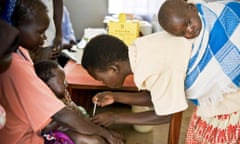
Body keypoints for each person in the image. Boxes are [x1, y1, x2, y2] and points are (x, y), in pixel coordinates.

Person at [0, 0, 125, 143]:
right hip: (24, 139)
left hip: (31, 130)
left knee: (90, 137)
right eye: (40, 32)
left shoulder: (20, 52)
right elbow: (62, 115)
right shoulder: (16, 66)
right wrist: (105, 133)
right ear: (16, 27)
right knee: (95, 140)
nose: (45, 37)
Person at [81, 32, 240, 143]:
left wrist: (117, 118)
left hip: (229, 92)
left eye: (101, 79)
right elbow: (158, 96)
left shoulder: (150, 68)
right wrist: (115, 96)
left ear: (113, 69)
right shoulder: (141, 48)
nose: (102, 83)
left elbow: (166, 114)